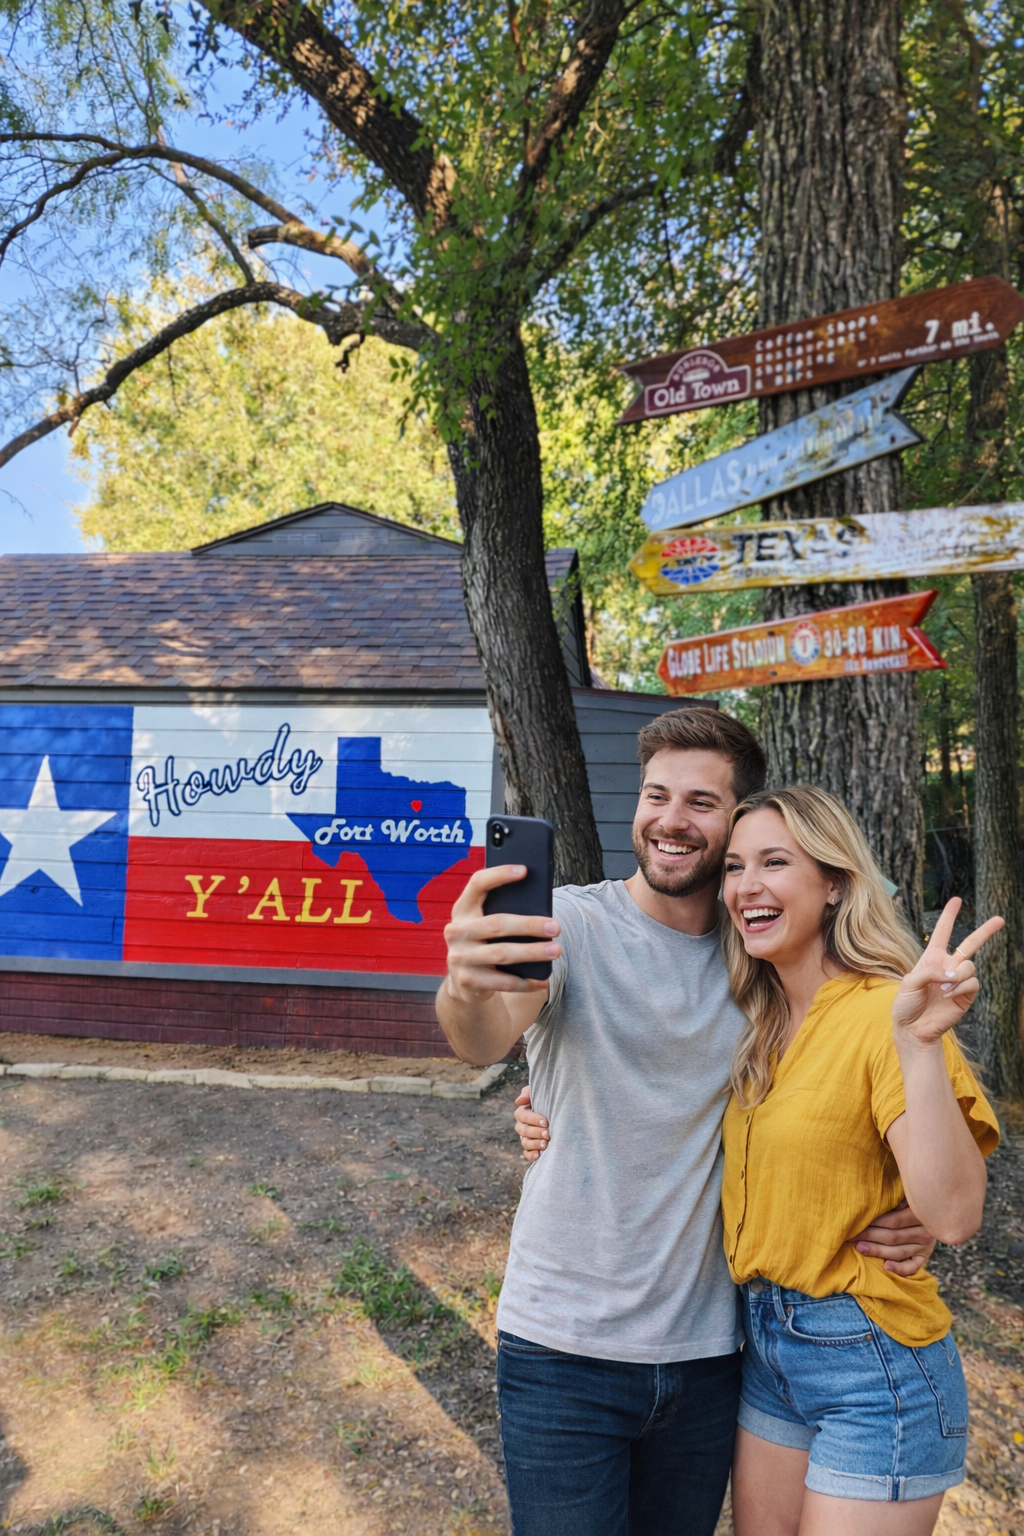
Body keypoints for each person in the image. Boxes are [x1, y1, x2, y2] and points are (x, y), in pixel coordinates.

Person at [438, 708, 933, 1536]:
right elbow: (482, 1036)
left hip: (712, 1356)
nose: (670, 820)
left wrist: (912, 1201)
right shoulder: (570, 925)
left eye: (701, 802)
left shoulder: (765, 966)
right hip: (561, 1349)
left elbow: (843, 1093)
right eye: (656, 795)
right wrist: (464, 988)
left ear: (736, 823)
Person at [516, 783, 1001, 1536]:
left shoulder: (886, 1012)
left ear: (834, 883)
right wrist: (543, 1112)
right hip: (764, 1352)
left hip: (871, 1360)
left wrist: (918, 1047)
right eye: (736, 866)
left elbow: (957, 1214)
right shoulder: (755, 1017)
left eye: (775, 862)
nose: (746, 886)